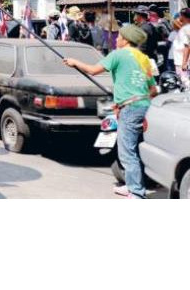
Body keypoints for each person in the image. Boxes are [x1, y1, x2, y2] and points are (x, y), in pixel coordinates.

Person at [64, 24, 157, 199]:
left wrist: (74, 62)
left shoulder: (118, 55)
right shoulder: (143, 58)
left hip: (130, 108)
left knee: (127, 152)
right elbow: (153, 90)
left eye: (119, 36)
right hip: (143, 105)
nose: (116, 39)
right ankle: (131, 185)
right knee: (134, 148)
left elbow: (93, 70)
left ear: (126, 40)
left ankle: (136, 193)